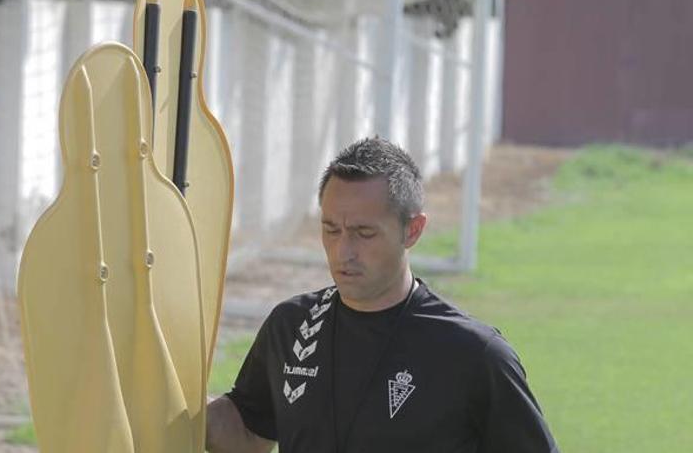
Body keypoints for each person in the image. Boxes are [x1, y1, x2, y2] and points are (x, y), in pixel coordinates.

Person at [205, 137, 559, 453]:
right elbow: (249, 435)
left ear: (413, 230)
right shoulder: (290, 325)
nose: (343, 250)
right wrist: (171, 405)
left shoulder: (473, 354)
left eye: (364, 232)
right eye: (331, 229)